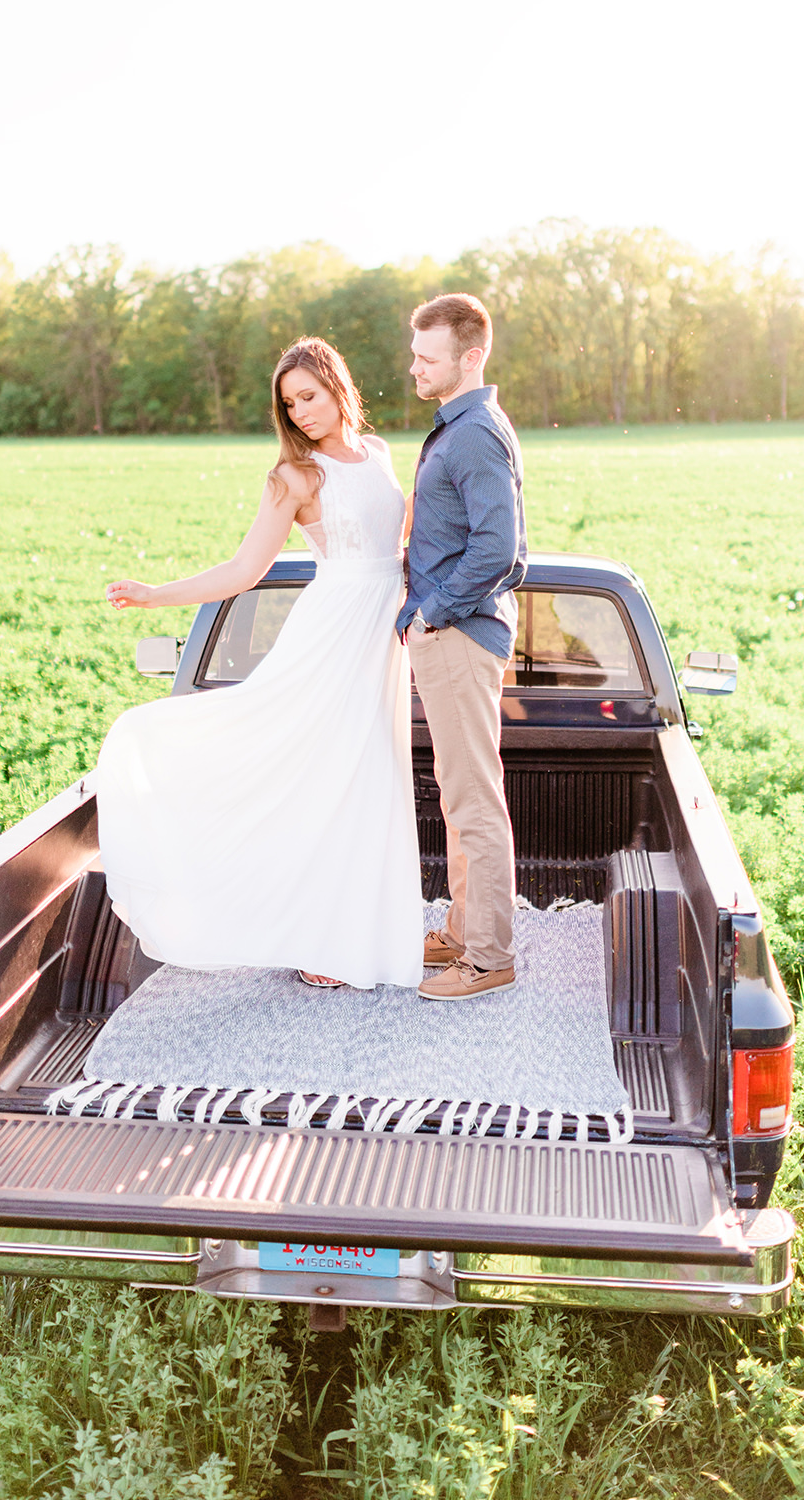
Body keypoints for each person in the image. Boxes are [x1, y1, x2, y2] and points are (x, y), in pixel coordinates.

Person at [95, 337, 423, 990]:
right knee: (324, 780)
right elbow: (246, 570)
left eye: (309, 396)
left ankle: (360, 934)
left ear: (337, 386)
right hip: (329, 638)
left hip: (379, 635)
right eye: (288, 404)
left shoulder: (379, 453)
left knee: (368, 780)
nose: (300, 412)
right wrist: (156, 594)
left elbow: (403, 538)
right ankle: (316, 939)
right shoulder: (293, 478)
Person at [396, 294, 527, 1002]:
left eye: (426, 355)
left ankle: (489, 956)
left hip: (457, 634)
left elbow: (499, 548)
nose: (413, 366)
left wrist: (433, 614)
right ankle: (464, 925)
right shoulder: (462, 426)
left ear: (469, 356)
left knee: (473, 797)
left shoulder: (473, 431)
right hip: (451, 633)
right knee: (458, 793)